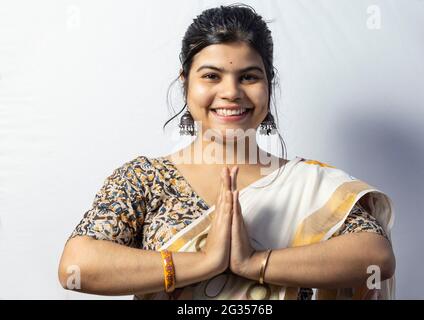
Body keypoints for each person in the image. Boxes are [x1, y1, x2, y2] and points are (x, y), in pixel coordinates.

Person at [58, 4, 396, 300]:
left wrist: (254, 263)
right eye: (212, 76)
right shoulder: (146, 178)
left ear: (268, 84)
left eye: (248, 76)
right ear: (185, 83)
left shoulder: (309, 185)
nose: (231, 92)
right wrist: (204, 262)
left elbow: (375, 259)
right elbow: (77, 266)